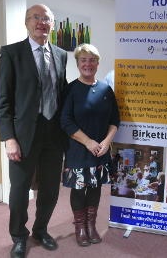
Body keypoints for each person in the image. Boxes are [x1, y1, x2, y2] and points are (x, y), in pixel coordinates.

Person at [0, 4, 67, 258]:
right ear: (27, 22)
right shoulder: (11, 53)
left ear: (52, 25)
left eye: (47, 18)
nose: (41, 22)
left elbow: (61, 94)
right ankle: (18, 236)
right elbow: (3, 102)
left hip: (54, 134)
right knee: (19, 190)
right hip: (23, 136)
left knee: (50, 189)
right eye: (36, 18)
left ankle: (40, 230)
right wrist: (8, 138)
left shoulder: (60, 54)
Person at [60, 43, 120, 247]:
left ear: (97, 63)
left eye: (92, 60)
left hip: (101, 151)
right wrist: (88, 142)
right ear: (77, 63)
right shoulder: (70, 89)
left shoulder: (105, 89)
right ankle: (80, 227)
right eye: (83, 60)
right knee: (78, 190)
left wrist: (106, 142)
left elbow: (115, 120)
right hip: (78, 149)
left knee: (95, 188)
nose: (88, 64)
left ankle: (91, 225)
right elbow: (65, 121)